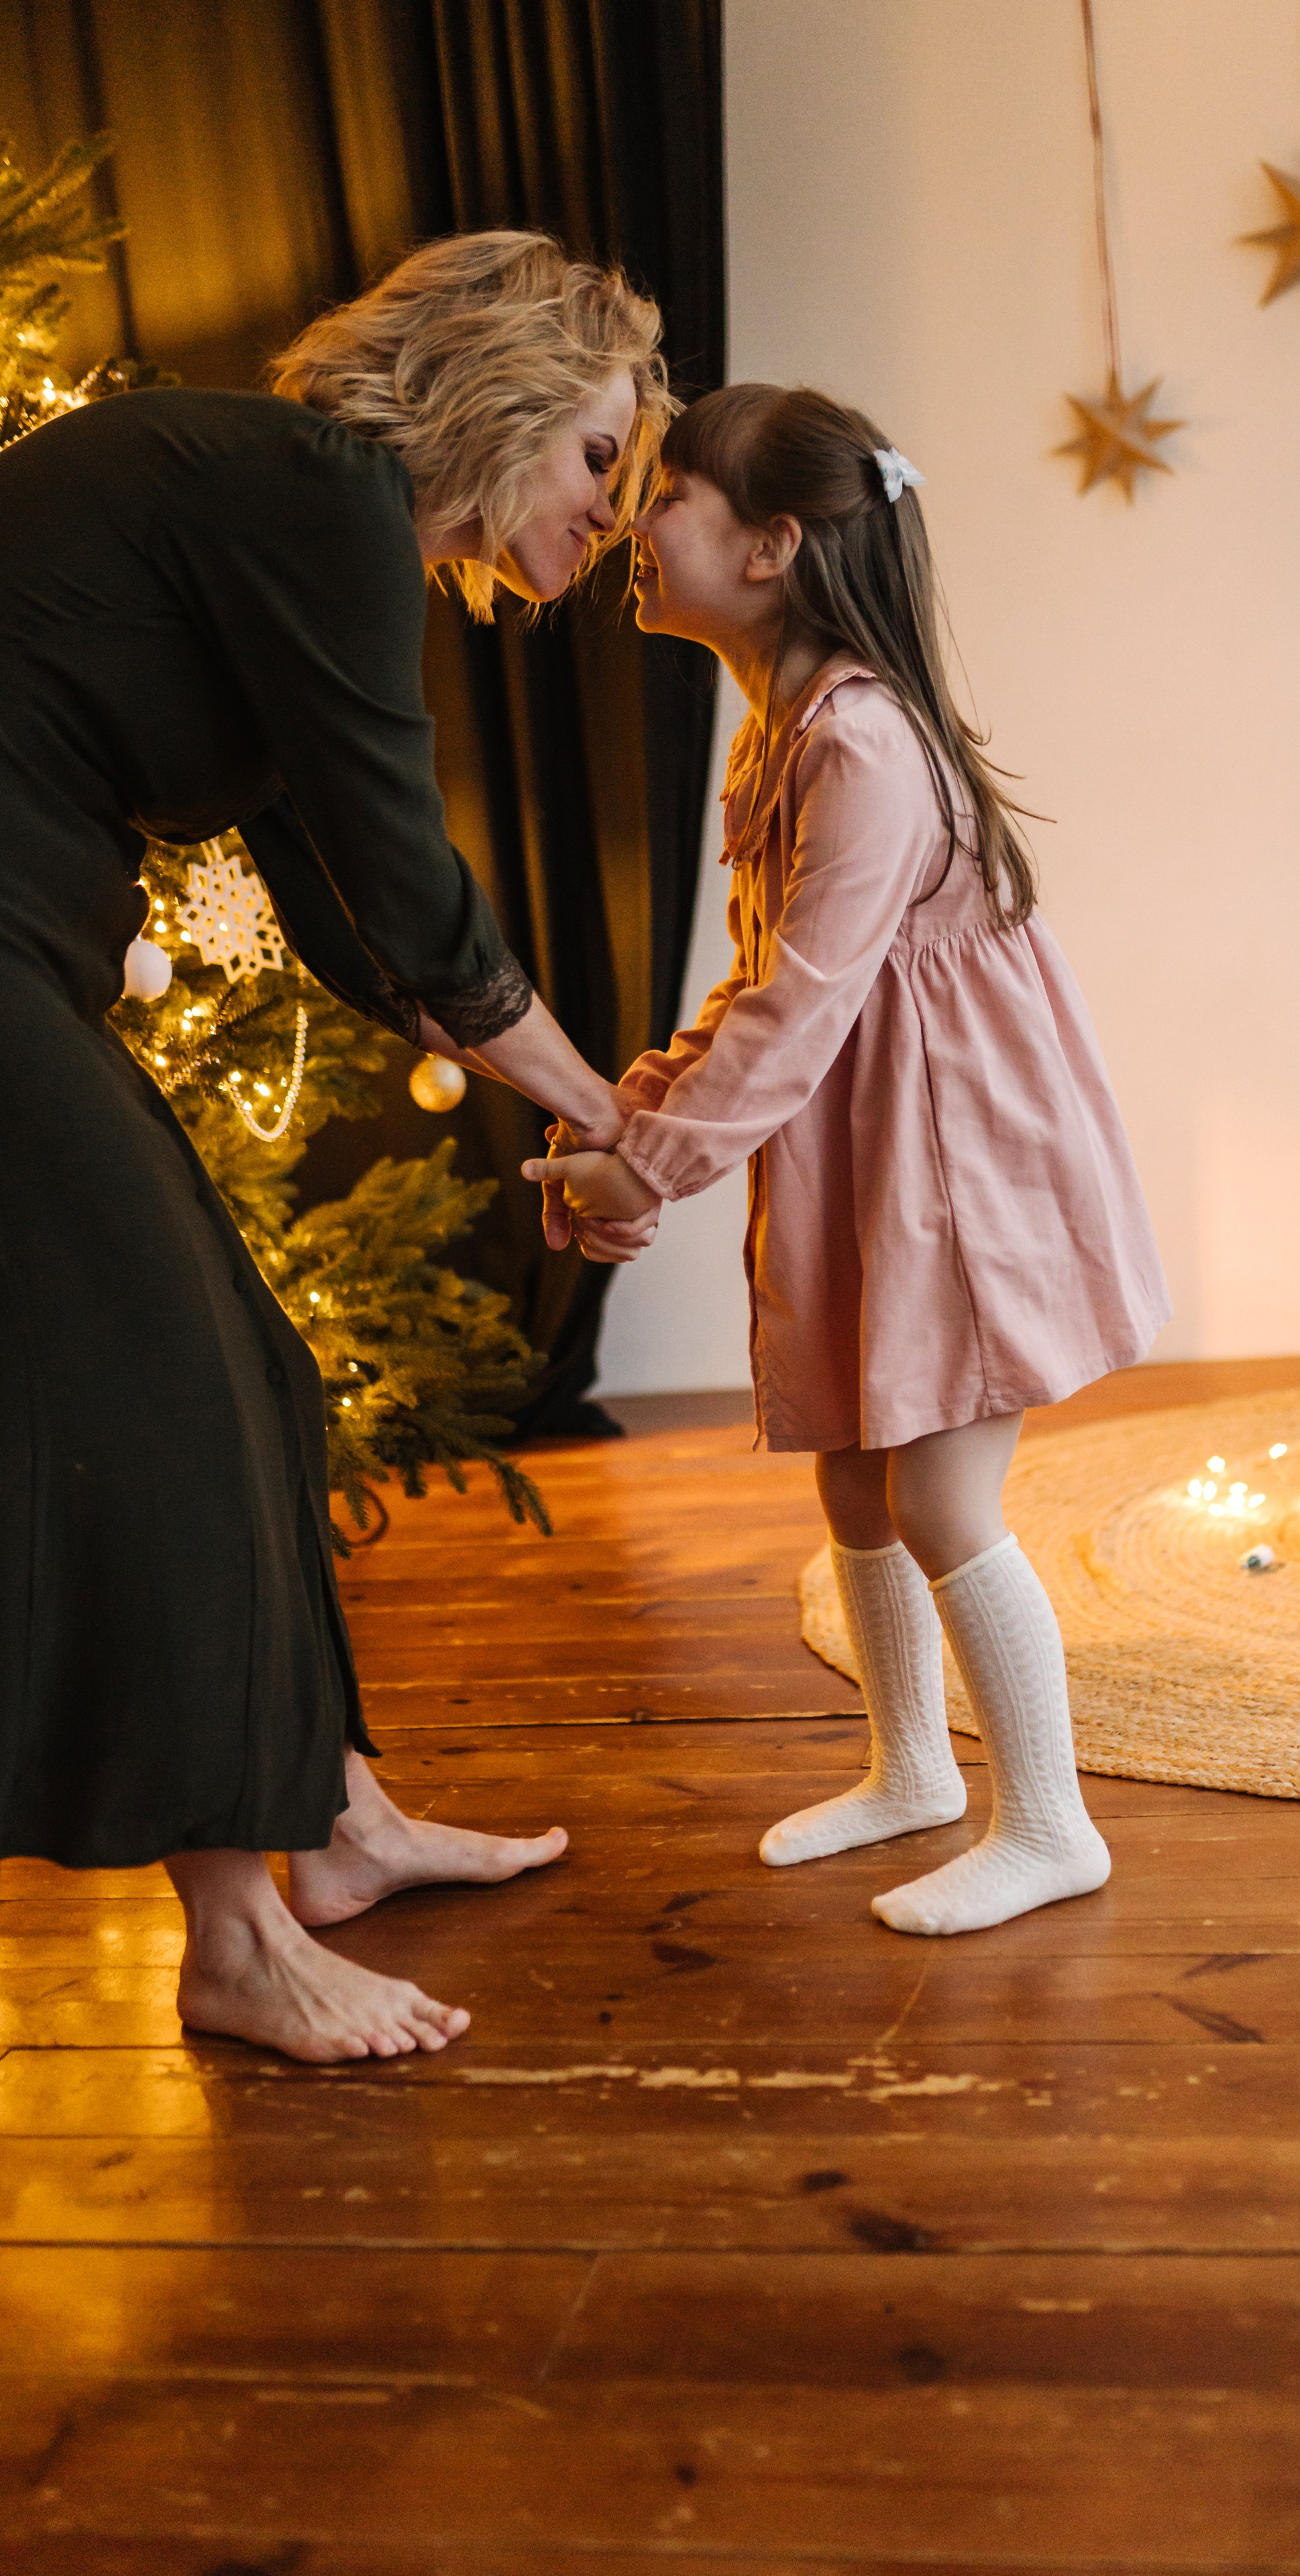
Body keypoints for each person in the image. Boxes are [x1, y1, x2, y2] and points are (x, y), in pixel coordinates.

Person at [0, 230, 666, 2061]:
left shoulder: (297, 526)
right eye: (602, 454)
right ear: (508, 390)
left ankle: (342, 1828)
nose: (617, 508)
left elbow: (348, 915)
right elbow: (417, 888)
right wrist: (620, 1117)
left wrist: (565, 1093)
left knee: (261, 1380)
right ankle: (236, 1945)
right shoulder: (320, 498)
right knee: (168, 1406)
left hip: (28, 966)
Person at [530, 384, 1170, 1936]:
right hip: (868, 1155)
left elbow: (806, 1007)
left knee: (944, 1496)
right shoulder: (788, 734)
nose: (627, 518)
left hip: (955, 1177)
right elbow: (763, 991)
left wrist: (654, 1167)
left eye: (662, 492)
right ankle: (911, 1770)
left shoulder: (863, 743)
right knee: (854, 1477)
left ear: (770, 546)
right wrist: (631, 1112)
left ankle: (1050, 1823)